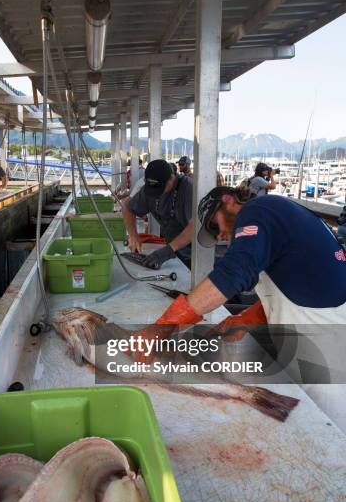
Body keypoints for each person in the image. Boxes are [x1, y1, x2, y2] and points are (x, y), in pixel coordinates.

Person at [131, 186, 346, 388]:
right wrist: (243, 321)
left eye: (215, 226)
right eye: (215, 234)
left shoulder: (257, 211)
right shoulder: (275, 217)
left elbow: (232, 274)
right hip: (315, 333)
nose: (221, 235)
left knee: (331, 421)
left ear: (228, 201)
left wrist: (163, 327)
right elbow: (290, 293)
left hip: (328, 344)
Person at [122, 159, 193, 269]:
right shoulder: (150, 188)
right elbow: (127, 207)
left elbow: (195, 226)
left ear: (171, 178)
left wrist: (167, 251)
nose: (155, 194)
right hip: (172, 250)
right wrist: (133, 235)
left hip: (193, 253)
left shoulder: (189, 188)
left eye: (159, 189)